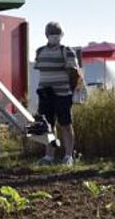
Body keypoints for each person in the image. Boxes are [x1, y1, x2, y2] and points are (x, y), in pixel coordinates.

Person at [33, 21, 82, 166]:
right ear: (46, 34)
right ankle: (49, 156)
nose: (54, 36)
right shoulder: (40, 51)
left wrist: (72, 92)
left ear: (62, 35)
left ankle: (68, 156)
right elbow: (40, 70)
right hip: (45, 94)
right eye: (51, 33)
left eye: (57, 33)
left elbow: (74, 73)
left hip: (63, 94)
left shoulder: (67, 51)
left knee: (66, 124)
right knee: (48, 125)